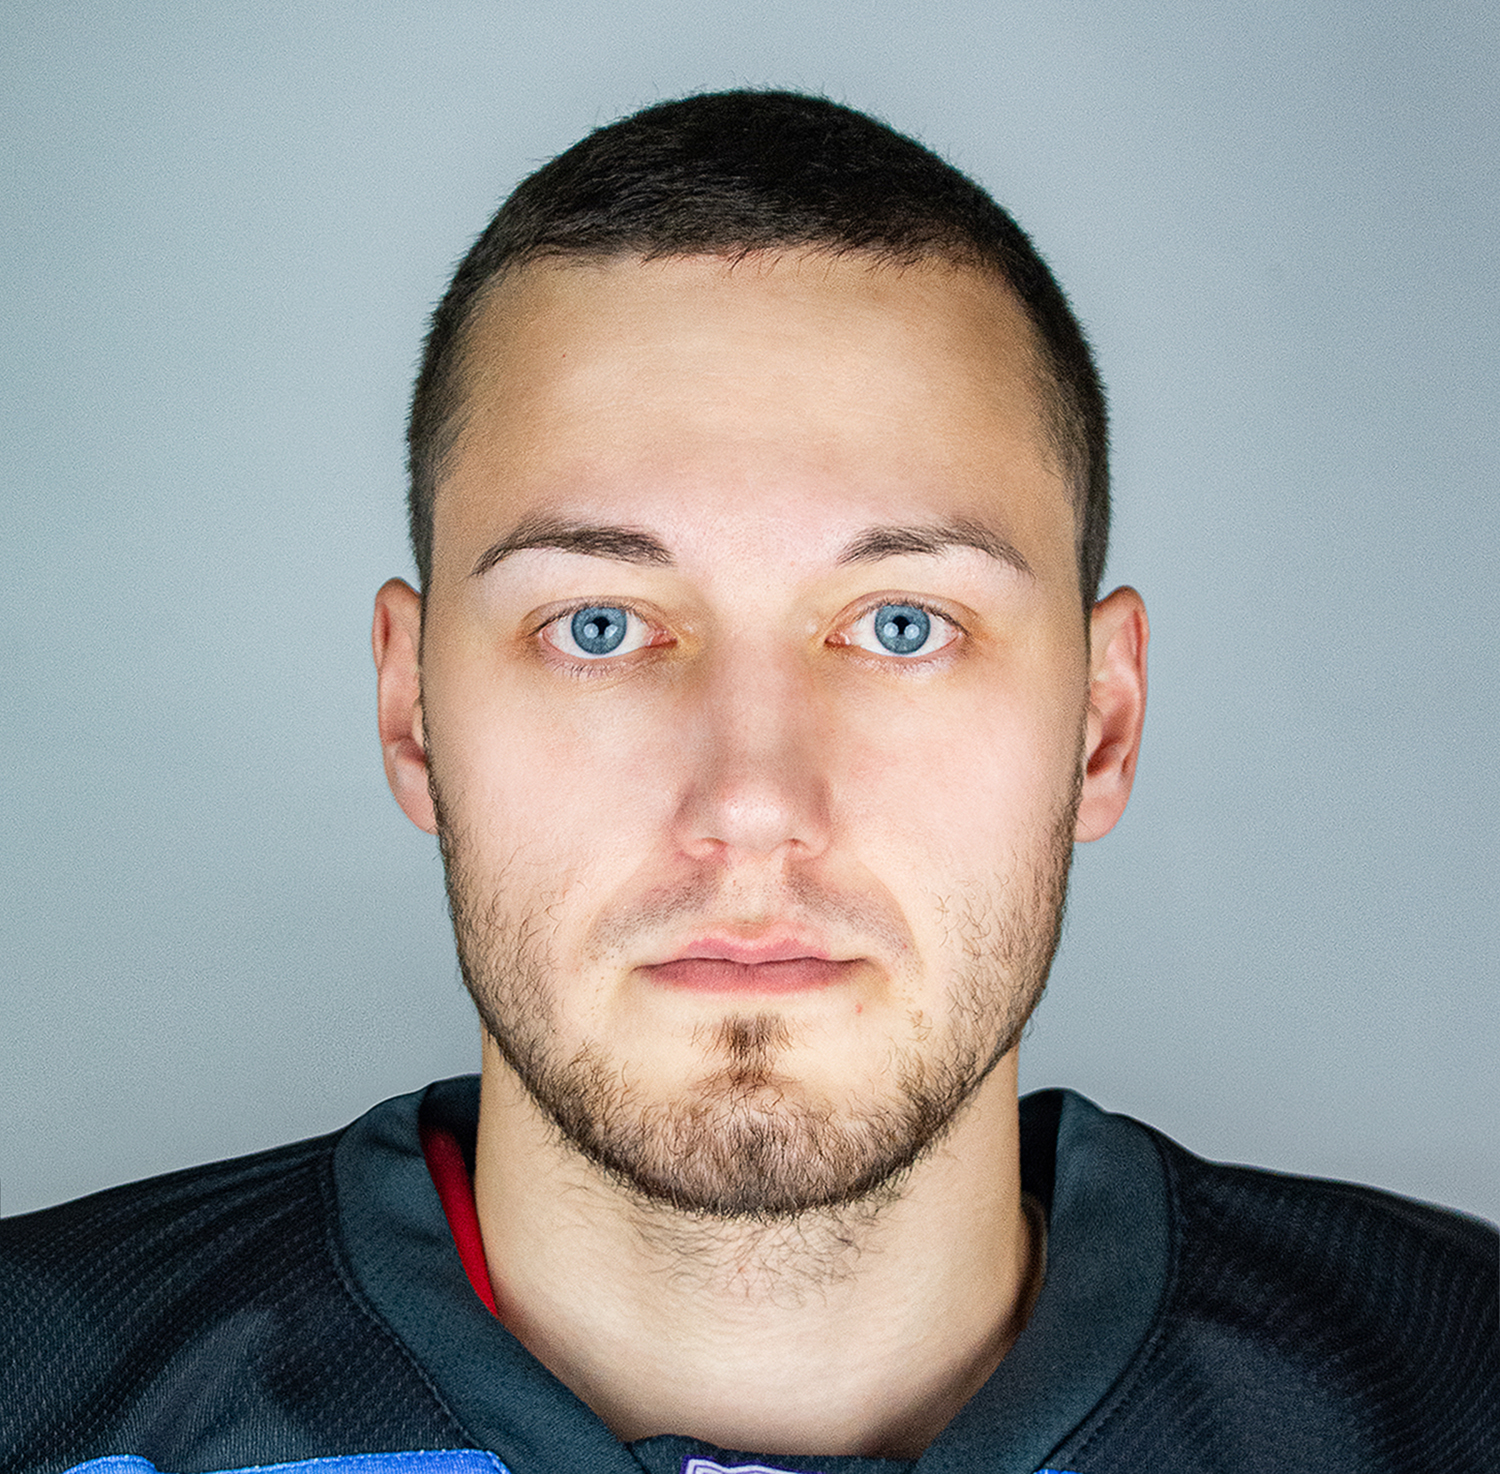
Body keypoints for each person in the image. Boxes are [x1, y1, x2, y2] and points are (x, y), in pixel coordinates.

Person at [2, 90, 1494, 1474]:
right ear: (413, 716)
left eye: (902, 627)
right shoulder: (37, 1392)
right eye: (599, 627)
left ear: (1100, 725)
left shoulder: (1455, 1386)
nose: (755, 804)